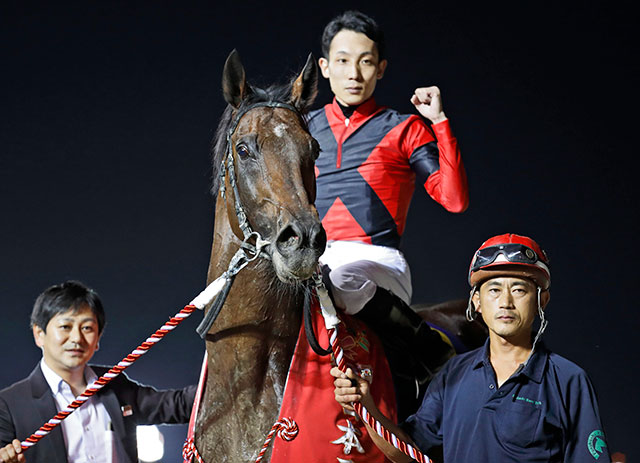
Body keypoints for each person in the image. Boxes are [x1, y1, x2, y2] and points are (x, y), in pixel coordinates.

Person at [308, 10, 469, 416]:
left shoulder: (404, 128)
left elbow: (454, 199)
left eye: (365, 61)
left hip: (375, 262)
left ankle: (429, 351)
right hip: (312, 265)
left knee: (341, 279)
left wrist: (439, 122)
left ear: (381, 68)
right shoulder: (302, 129)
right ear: (325, 67)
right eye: (342, 61)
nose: (354, 73)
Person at [332, 233, 611, 462]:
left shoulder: (568, 381)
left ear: (542, 301)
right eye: (494, 290)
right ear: (477, 302)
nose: (505, 302)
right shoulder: (453, 374)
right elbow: (406, 452)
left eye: (519, 290)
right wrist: (366, 405)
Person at [0, 281, 195, 463]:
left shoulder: (114, 385)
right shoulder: (9, 405)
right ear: (39, 334)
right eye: (65, 327)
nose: (76, 337)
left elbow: (177, 405)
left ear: (99, 337)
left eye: (87, 328)